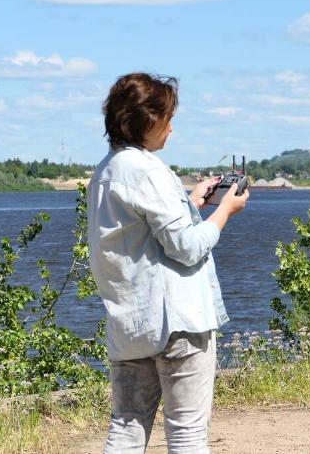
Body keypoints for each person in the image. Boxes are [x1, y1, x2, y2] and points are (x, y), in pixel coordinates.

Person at [87, 73, 248, 453]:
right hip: (178, 322)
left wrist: (190, 203)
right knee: (187, 432)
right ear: (147, 119)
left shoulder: (105, 171)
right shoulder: (149, 170)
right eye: (167, 117)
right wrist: (224, 211)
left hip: (131, 324)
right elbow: (188, 247)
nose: (172, 128)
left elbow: (143, 233)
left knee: (126, 428)